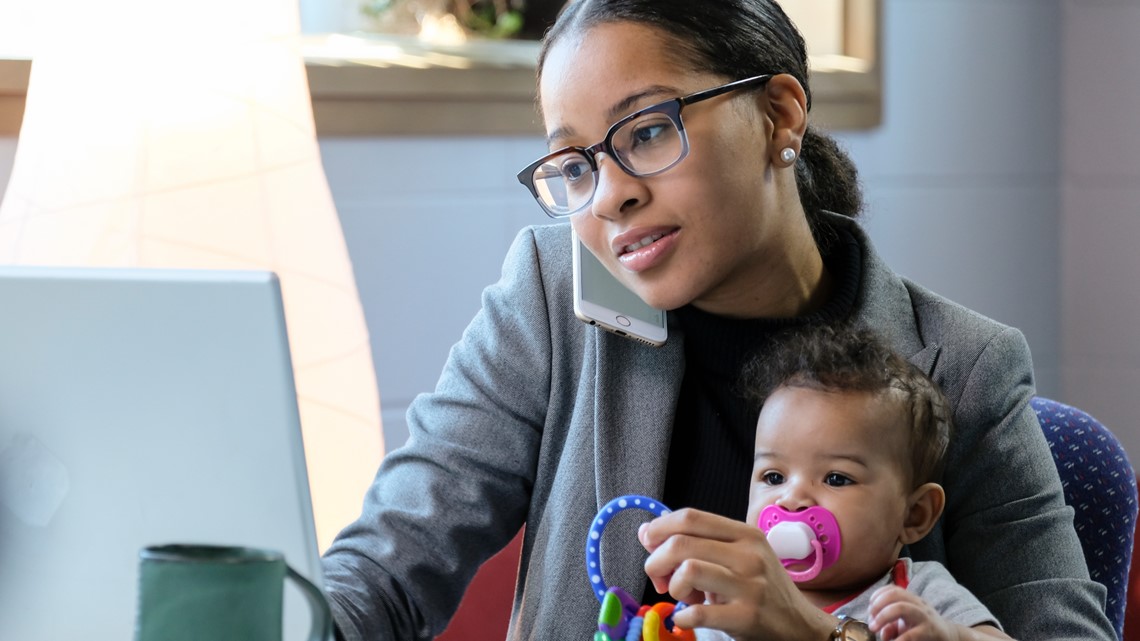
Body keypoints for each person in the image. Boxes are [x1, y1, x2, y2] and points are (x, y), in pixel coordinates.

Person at [320, 1, 1113, 639]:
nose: (611, 195)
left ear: (780, 117)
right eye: (576, 163)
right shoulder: (553, 293)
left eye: (649, 131)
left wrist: (813, 632)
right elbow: (385, 572)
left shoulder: (963, 366)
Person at [673, 325, 1010, 641]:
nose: (792, 498)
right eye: (773, 477)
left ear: (914, 515)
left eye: (836, 478)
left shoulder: (916, 594)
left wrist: (948, 635)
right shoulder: (731, 593)